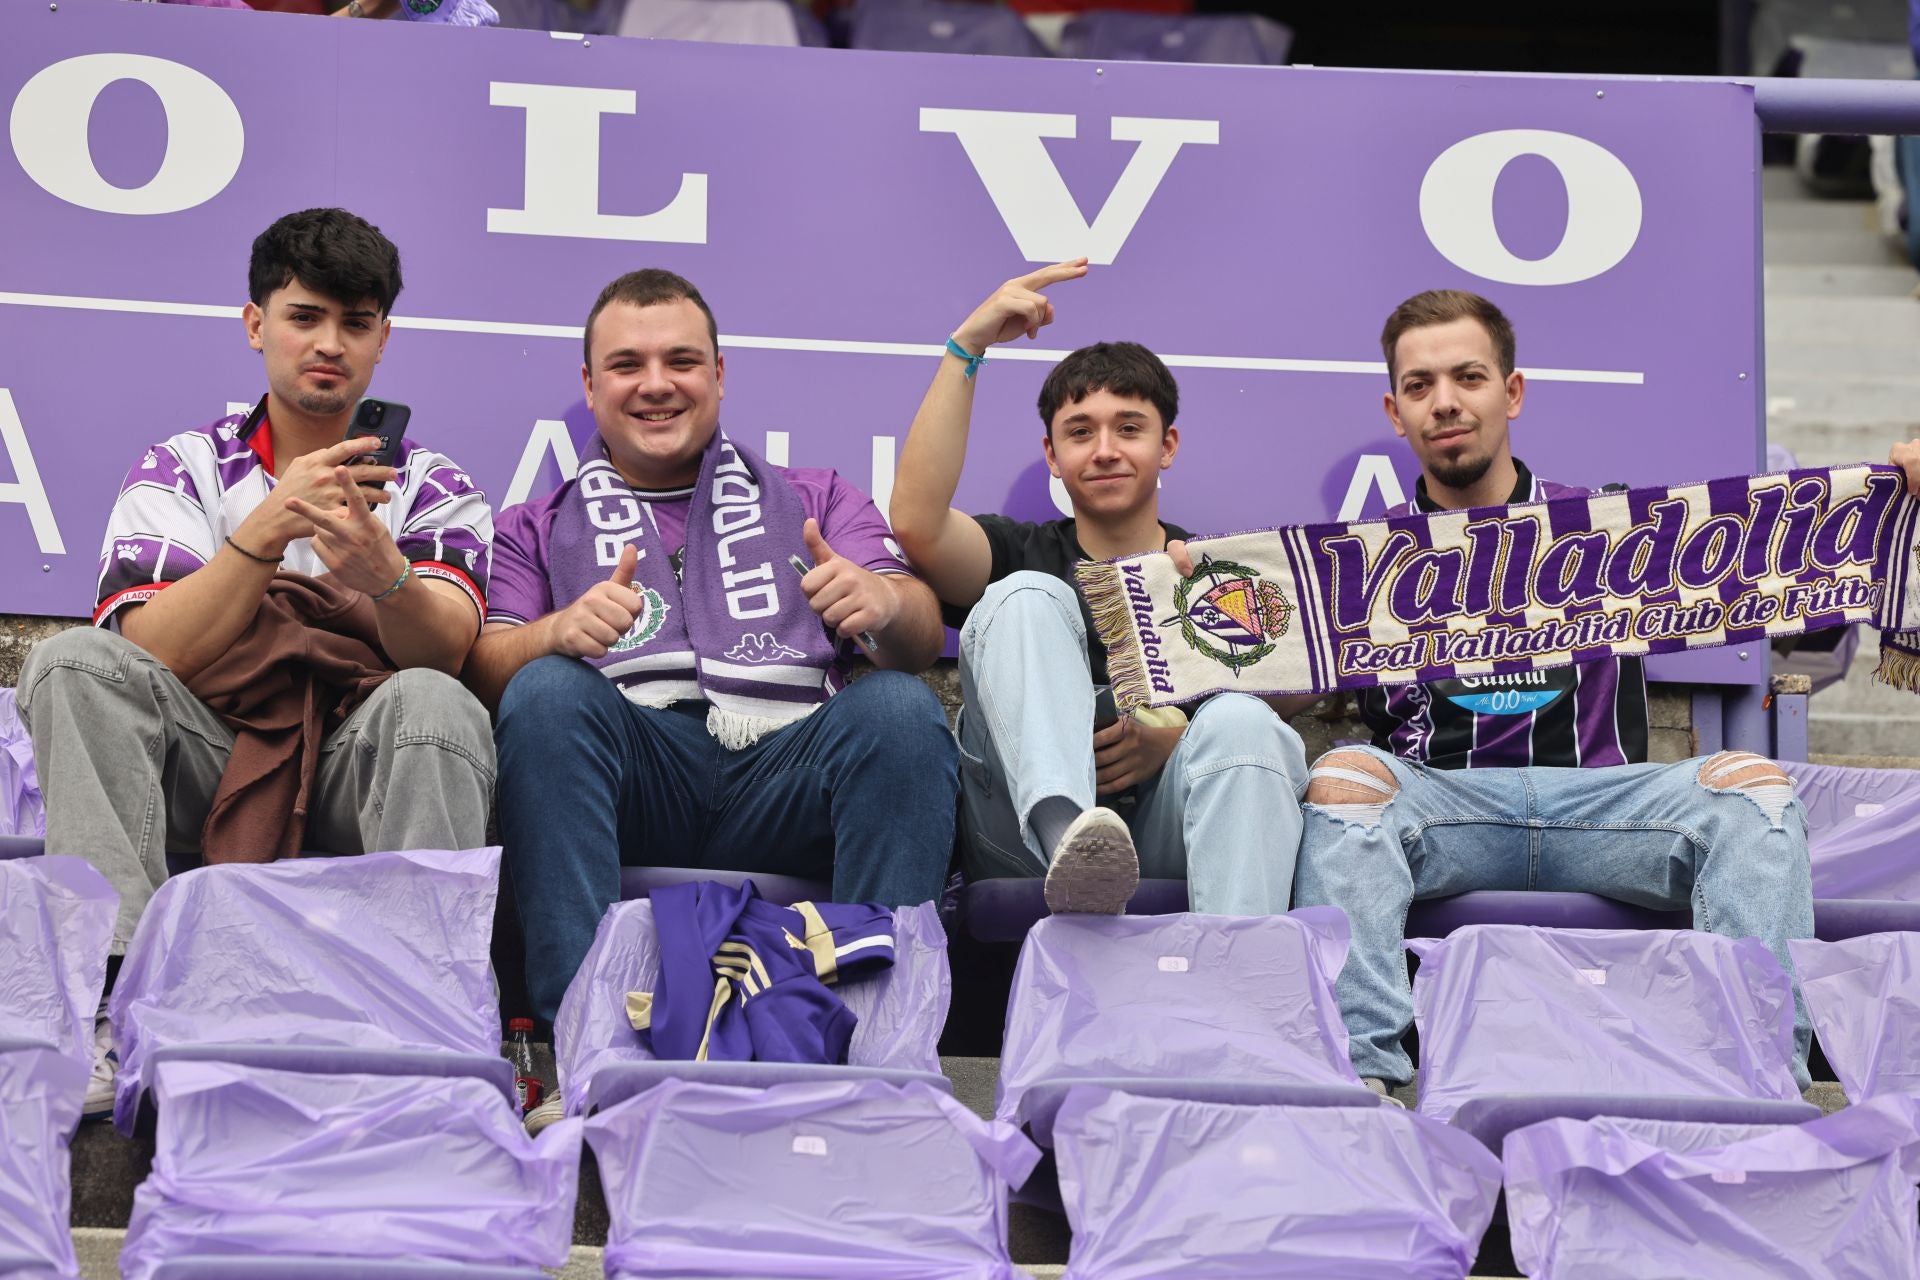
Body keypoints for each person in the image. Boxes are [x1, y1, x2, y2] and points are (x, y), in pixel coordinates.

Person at [17, 207, 496, 1114]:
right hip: (211, 757)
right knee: (75, 664)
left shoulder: (432, 484)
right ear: (255, 325)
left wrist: (386, 580)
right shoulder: (184, 467)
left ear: (383, 341)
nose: (329, 344)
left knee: (434, 701)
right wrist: (264, 535)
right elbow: (147, 649)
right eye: (305, 316)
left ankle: (419, 1025)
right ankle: (109, 1011)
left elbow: (451, 652)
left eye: (356, 324)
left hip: (361, 767)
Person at [1288, 288, 1820, 1098]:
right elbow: (1252, 665)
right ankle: (1359, 1087)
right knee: (1343, 785)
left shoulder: (1614, 530)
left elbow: (1793, 566)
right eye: (1421, 387)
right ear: (1395, 412)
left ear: (1513, 391)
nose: (1446, 402)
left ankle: (1765, 1087)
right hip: (1445, 811)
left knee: (1757, 795)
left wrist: (1901, 500)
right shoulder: (1357, 562)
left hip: (1608, 810)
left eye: (1468, 376)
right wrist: (1195, 608)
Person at [466, 268, 956, 1059]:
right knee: (548, 693)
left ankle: (879, 1053)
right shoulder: (534, 524)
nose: (656, 384)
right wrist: (555, 632)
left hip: (789, 775)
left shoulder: (818, 497)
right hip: (638, 771)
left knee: (899, 708)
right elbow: (488, 666)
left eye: (682, 361)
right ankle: (581, 1053)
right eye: (627, 365)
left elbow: (920, 634)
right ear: (590, 388)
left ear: (720, 376)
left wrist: (885, 603)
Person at [889, 263, 1312, 917]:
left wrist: (1179, 734)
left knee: (1242, 721)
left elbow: (1299, 690)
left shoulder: (1207, 575)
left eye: (1130, 428)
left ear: (1167, 445)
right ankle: (1069, 840)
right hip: (1020, 845)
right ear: (1052, 456)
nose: (1105, 449)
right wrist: (966, 347)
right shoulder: (1019, 552)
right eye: (1081, 432)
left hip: (1165, 834)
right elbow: (916, 523)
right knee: (1025, 594)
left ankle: (1241, 980)